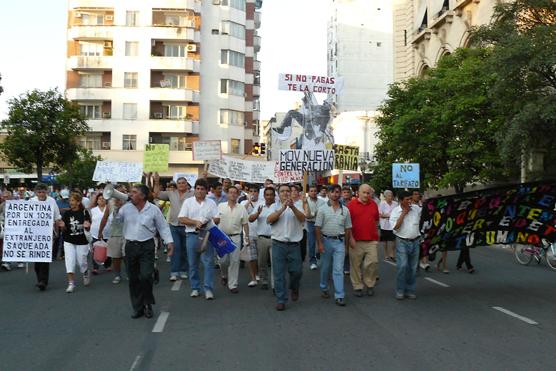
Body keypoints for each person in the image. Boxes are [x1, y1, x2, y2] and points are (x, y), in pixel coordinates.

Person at [115, 185, 174, 319]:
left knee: (146, 276)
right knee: (134, 278)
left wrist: (169, 242)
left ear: (142, 196)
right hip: (130, 246)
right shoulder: (126, 208)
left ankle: (148, 304)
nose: (130, 194)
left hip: (147, 245)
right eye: (131, 192)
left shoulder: (153, 209)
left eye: (134, 192)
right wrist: (118, 208)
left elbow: (163, 227)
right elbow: (117, 223)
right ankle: (138, 307)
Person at [178, 178, 219, 300]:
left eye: (202, 189)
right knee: (192, 263)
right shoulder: (188, 202)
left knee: (208, 263)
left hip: (207, 235)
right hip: (192, 235)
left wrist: (208, 221)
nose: (200, 191)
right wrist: (195, 222)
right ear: (194, 189)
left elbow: (217, 218)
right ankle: (195, 288)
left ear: (207, 191)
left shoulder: (211, 203)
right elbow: (181, 218)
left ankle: (208, 288)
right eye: (198, 188)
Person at [267, 184, 305, 311]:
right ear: (278, 194)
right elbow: (269, 219)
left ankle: (294, 287)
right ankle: (281, 299)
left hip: (294, 244)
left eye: (287, 191)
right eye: (282, 191)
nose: (285, 193)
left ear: (291, 192)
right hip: (278, 244)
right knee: (278, 273)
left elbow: (302, 218)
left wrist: (292, 207)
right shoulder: (274, 206)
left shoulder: (298, 205)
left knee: (297, 271)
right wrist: (283, 208)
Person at [315, 184, 352, 306]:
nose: (335, 194)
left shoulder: (345, 210)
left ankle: (339, 295)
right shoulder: (322, 209)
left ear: (340, 194)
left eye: (337, 192)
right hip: (326, 241)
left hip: (340, 242)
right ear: (329, 194)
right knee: (325, 267)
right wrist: (320, 244)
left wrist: (346, 247)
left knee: (338, 269)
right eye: (332, 192)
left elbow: (348, 229)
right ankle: (324, 287)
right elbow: (318, 228)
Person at [153, 173, 193, 282]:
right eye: (179, 183)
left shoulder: (192, 194)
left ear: (187, 184)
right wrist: (156, 181)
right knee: (175, 248)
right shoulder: (171, 193)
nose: (181, 185)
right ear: (177, 184)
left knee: (185, 249)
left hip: (187, 226)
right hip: (174, 225)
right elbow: (156, 194)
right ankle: (174, 272)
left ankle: (184, 270)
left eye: (183, 183)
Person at [214, 186, 250, 293]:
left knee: (234, 261)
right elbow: (215, 219)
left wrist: (246, 237)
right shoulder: (221, 206)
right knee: (223, 260)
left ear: (238, 195)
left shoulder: (242, 208)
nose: (233, 194)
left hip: (235, 237)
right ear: (228, 194)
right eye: (231, 192)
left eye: (235, 193)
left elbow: (245, 223)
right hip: (222, 237)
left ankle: (233, 284)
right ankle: (224, 274)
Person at [390, 190, 422, 300]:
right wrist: (403, 213)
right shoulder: (395, 211)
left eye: (410, 199)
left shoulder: (416, 209)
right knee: (403, 266)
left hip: (415, 241)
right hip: (402, 241)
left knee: (412, 268)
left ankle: (410, 290)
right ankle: (400, 290)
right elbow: (395, 227)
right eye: (407, 199)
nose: (409, 202)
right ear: (400, 200)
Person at [31, 183, 62, 291]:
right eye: (39, 192)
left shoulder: (52, 201)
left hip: (48, 232)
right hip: (34, 233)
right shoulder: (31, 201)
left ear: (46, 192)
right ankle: (39, 278)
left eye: (43, 192)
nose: (41, 194)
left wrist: (57, 231)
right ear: (36, 193)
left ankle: (43, 281)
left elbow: (57, 216)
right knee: (36, 258)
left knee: (44, 256)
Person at [59, 192, 92, 293]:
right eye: (70, 200)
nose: (70, 202)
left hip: (82, 241)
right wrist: (62, 226)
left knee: (81, 261)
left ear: (78, 202)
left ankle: (85, 272)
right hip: (69, 240)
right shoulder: (67, 213)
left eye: (72, 200)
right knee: (70, 261)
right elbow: (64, 229)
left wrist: (87, 226)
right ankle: (71, 283)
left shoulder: (84, 212)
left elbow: (88, 226)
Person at [98, 184, 127, 284]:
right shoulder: (110, 203)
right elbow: (105, 217)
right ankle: (117, 274)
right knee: (116, 256)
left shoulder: (129, 202)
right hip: (114, 233)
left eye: (122, 192)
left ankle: (130, 273)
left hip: (128, 233)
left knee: (128, 256)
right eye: (118, 192)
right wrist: (100, 231)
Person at [250, 186, 276, 290]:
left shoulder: (278, 206)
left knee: (275, 263)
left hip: (275, 238)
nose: (269, 197)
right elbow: (250, 219)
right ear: (264, 196)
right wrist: (257, 213)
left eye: (271, 195)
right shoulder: (259, 205)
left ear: (274, 196)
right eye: (267, 195)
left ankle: (275, 285)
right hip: (262, 238)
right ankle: (264, 280)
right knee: (262, 262)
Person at [240, 184, 261, 287]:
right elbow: (240, 212)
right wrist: (248, 201)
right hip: (249, 233)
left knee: (260, 257)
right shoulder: (244, 202)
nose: (253, 193)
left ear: (258, 193)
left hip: (260, 233)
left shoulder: (261, 202)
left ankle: (258, 273)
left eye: (255, 191)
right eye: (251, 191)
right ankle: (253, 278)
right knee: (251, 257)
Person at [305, 184, 325, 270]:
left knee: (322, 242)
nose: (313, 193)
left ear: (317, 192)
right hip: (310, 224)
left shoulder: (322, 202)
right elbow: (307, 215)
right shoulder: (306, 202)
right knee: (311, 243)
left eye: (315, 191)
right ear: (308, 192)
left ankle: (322, 259)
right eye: (311, 191)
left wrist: (312, 213)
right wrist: (314, 213)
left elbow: (323, 213)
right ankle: (312, 262)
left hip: (321, 224)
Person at [89, 194, 112, 274]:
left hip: (108, 232)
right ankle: (95, 267)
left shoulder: (109, 209)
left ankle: (108, 265)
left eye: (103, 198)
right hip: (95, 233)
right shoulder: (93, 210)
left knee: (108, 250)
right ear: (97, 201)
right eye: (99, 199)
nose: (101, 200)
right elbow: (90, 221)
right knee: (96, 250)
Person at [379, 190, 398, 262]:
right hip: (384, 225)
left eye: (391, 196)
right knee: (385, 240)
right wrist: (388, 216)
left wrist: (388, 216)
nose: (390, 197)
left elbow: (397, 213)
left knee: (394, 240)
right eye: (389, 196)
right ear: (385, 197)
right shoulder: (382, 204)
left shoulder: (395, 204)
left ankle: (392, 253)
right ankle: (386, 254)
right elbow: (380, 214)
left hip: (393, 225)